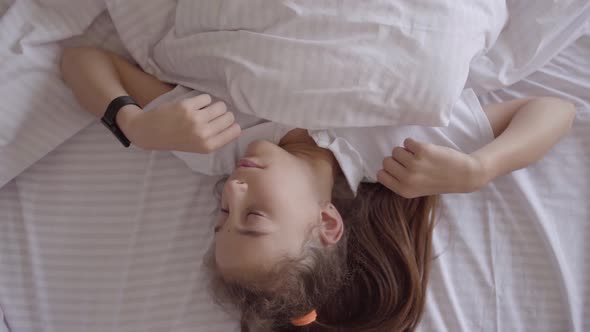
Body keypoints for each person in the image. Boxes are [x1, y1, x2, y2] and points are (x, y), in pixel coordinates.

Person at [61, 47, 575, 332]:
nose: (234, 189)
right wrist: (479, 168)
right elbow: (554, 111)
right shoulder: (399, 155)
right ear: (328, 222)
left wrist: (137, 126)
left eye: (222, 213)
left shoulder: (218, 140)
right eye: (255, 216)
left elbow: (81, 60)